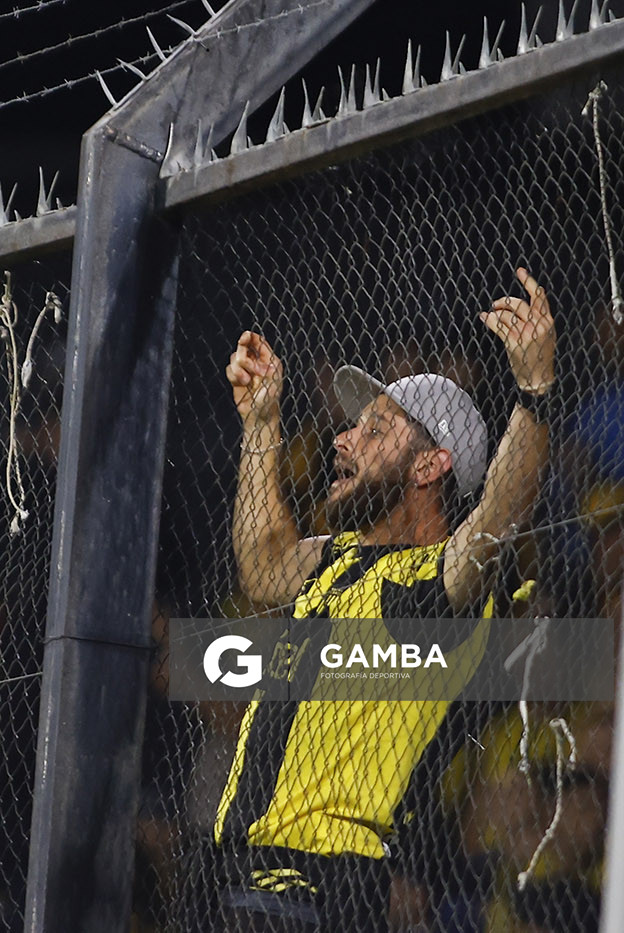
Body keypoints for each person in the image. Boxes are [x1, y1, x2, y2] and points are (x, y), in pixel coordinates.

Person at [213, 267, 557, 931]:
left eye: (374, 429)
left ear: (430, 466)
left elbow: (499, 511)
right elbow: (263, 565)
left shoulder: (435, 582)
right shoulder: (338, 560)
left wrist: (535, 391)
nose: (343, 438)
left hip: (323, 878)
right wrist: (262, 425)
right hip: (245, 866)